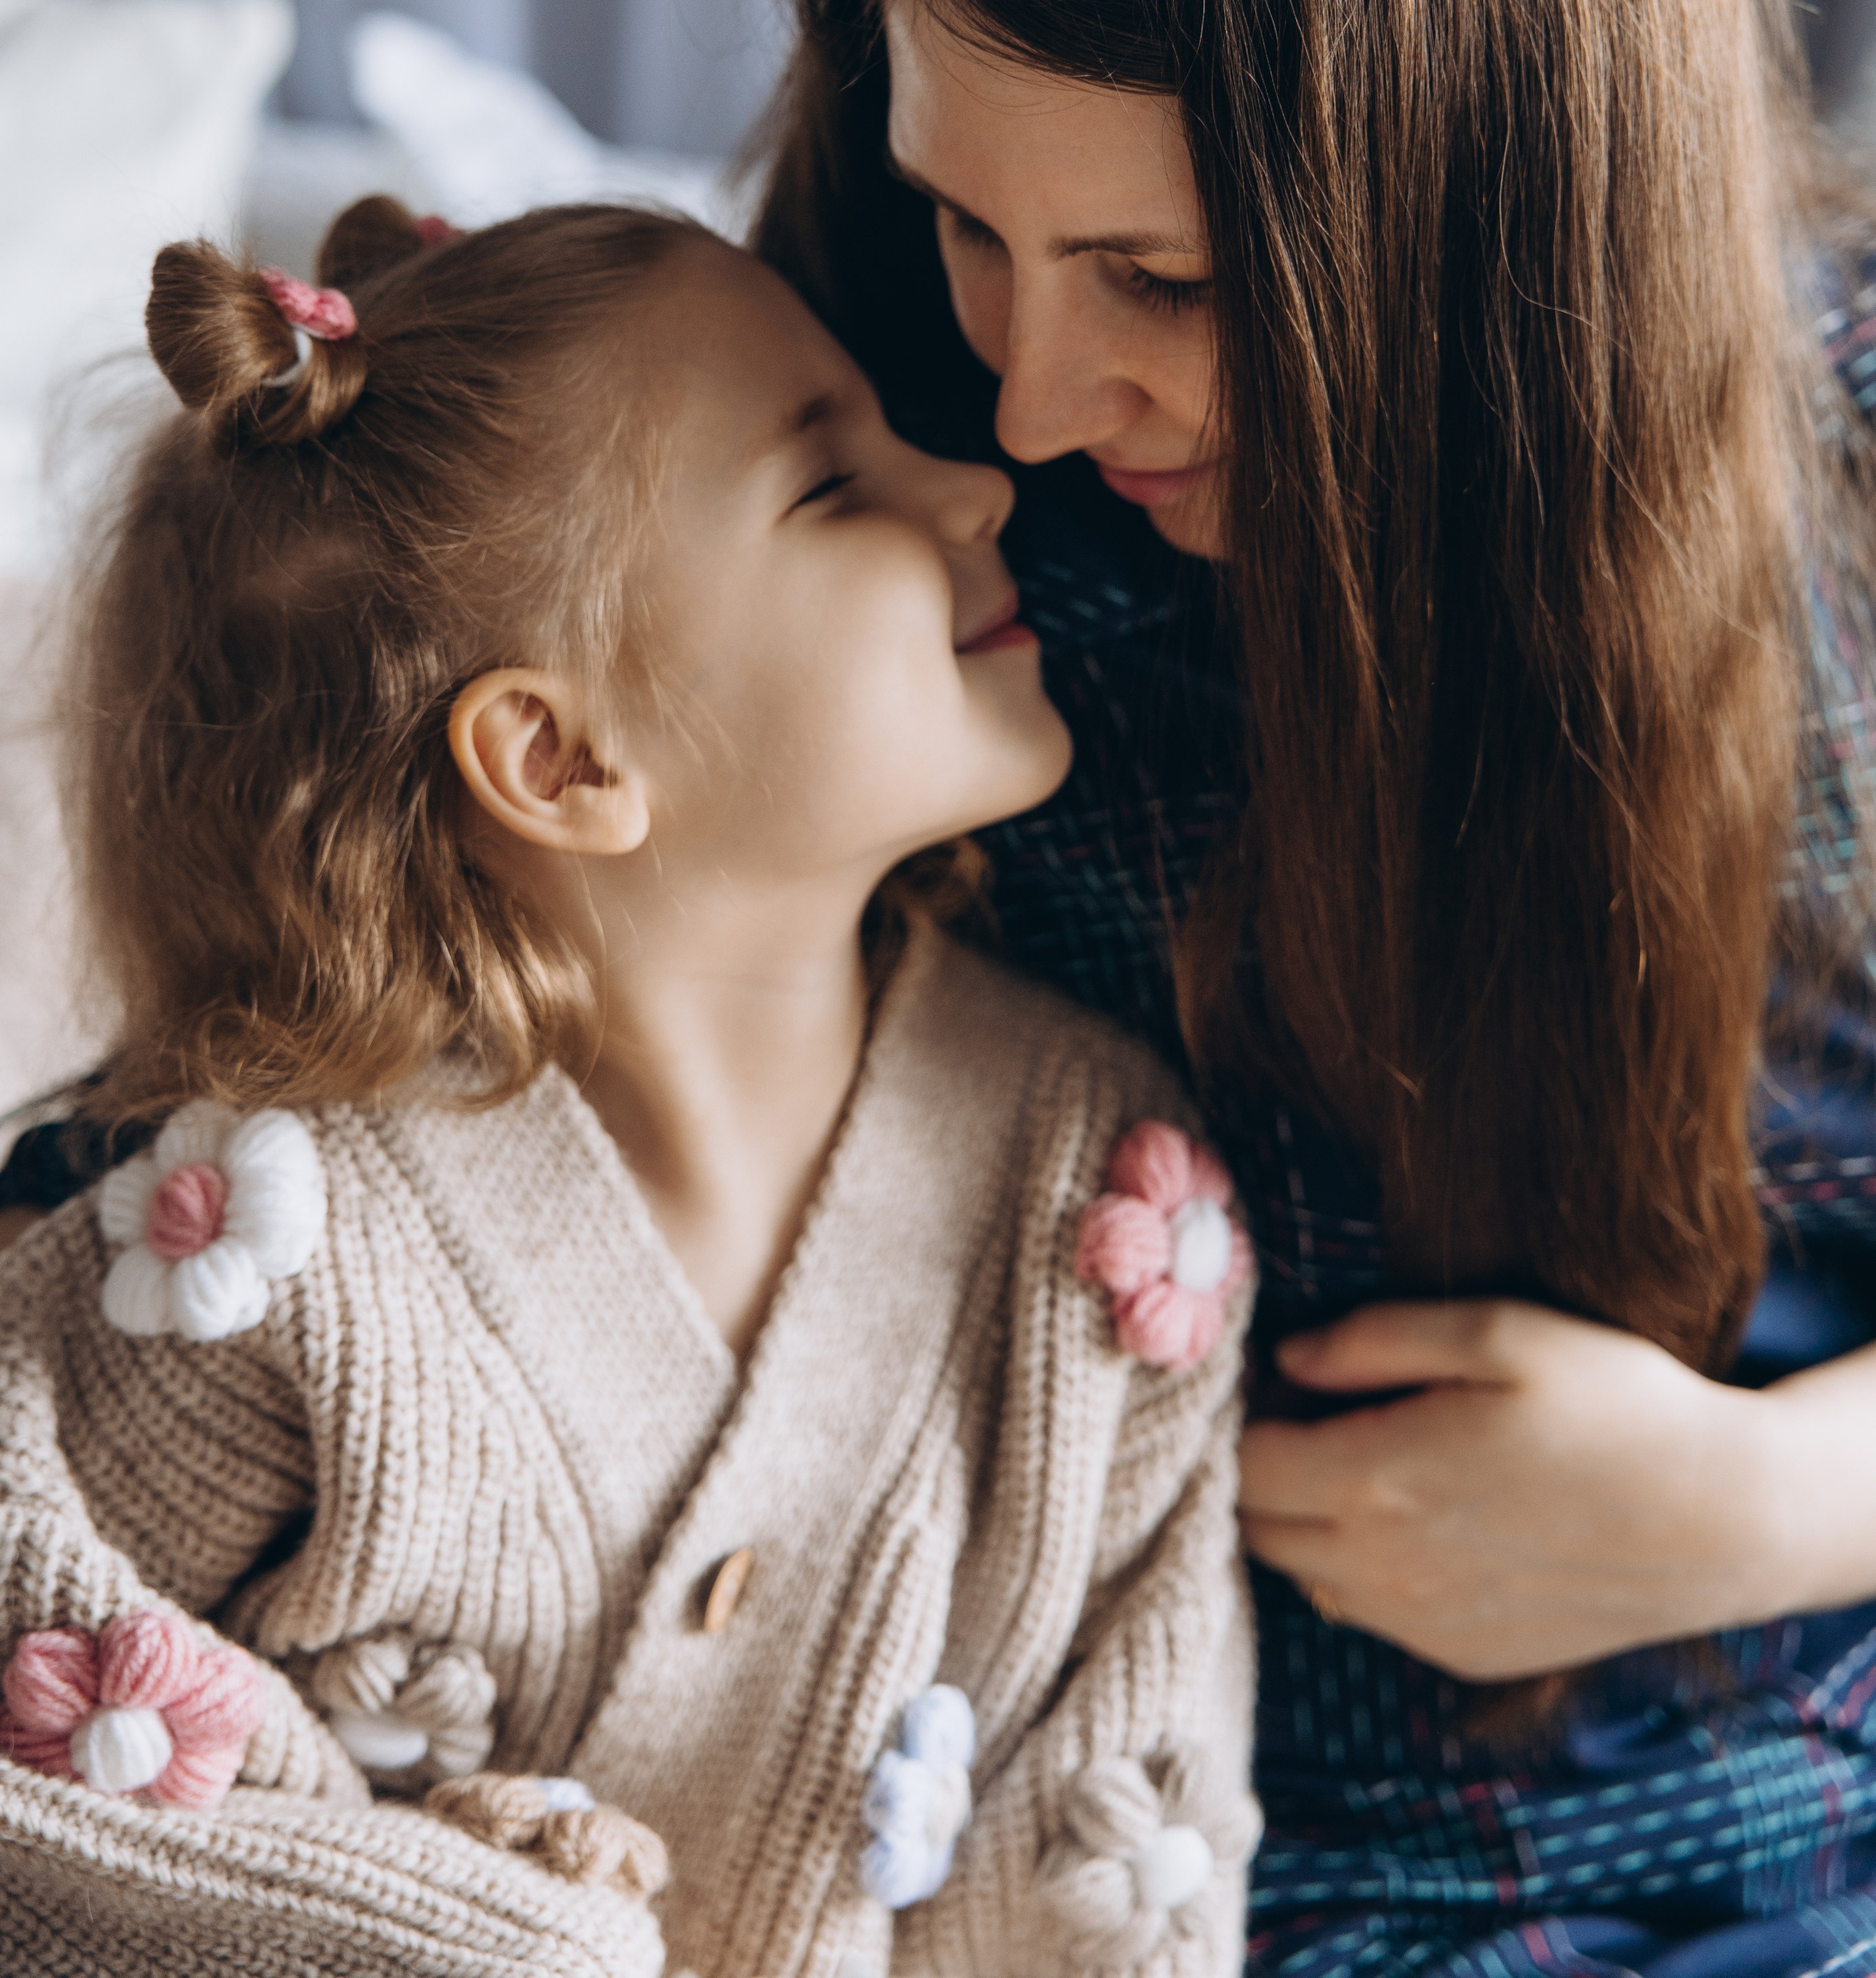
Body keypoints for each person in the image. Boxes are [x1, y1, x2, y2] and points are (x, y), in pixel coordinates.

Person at [753, 0, 1876, 1977]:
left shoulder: (1842, 484)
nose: (1032, 399)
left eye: (1161, 280)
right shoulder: (885, 472)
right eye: (968, 223)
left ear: (1490, 213)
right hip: (1115, 1849)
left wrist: (1774, 1508)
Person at [0, 199, 1255, 1978]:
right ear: (562, 756)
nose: (973, 486)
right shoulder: (247, 1248)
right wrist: (495, 1936)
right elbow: (58, 1762)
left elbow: (1128, 1853)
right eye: (830, 488)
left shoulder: (1110, 1217)